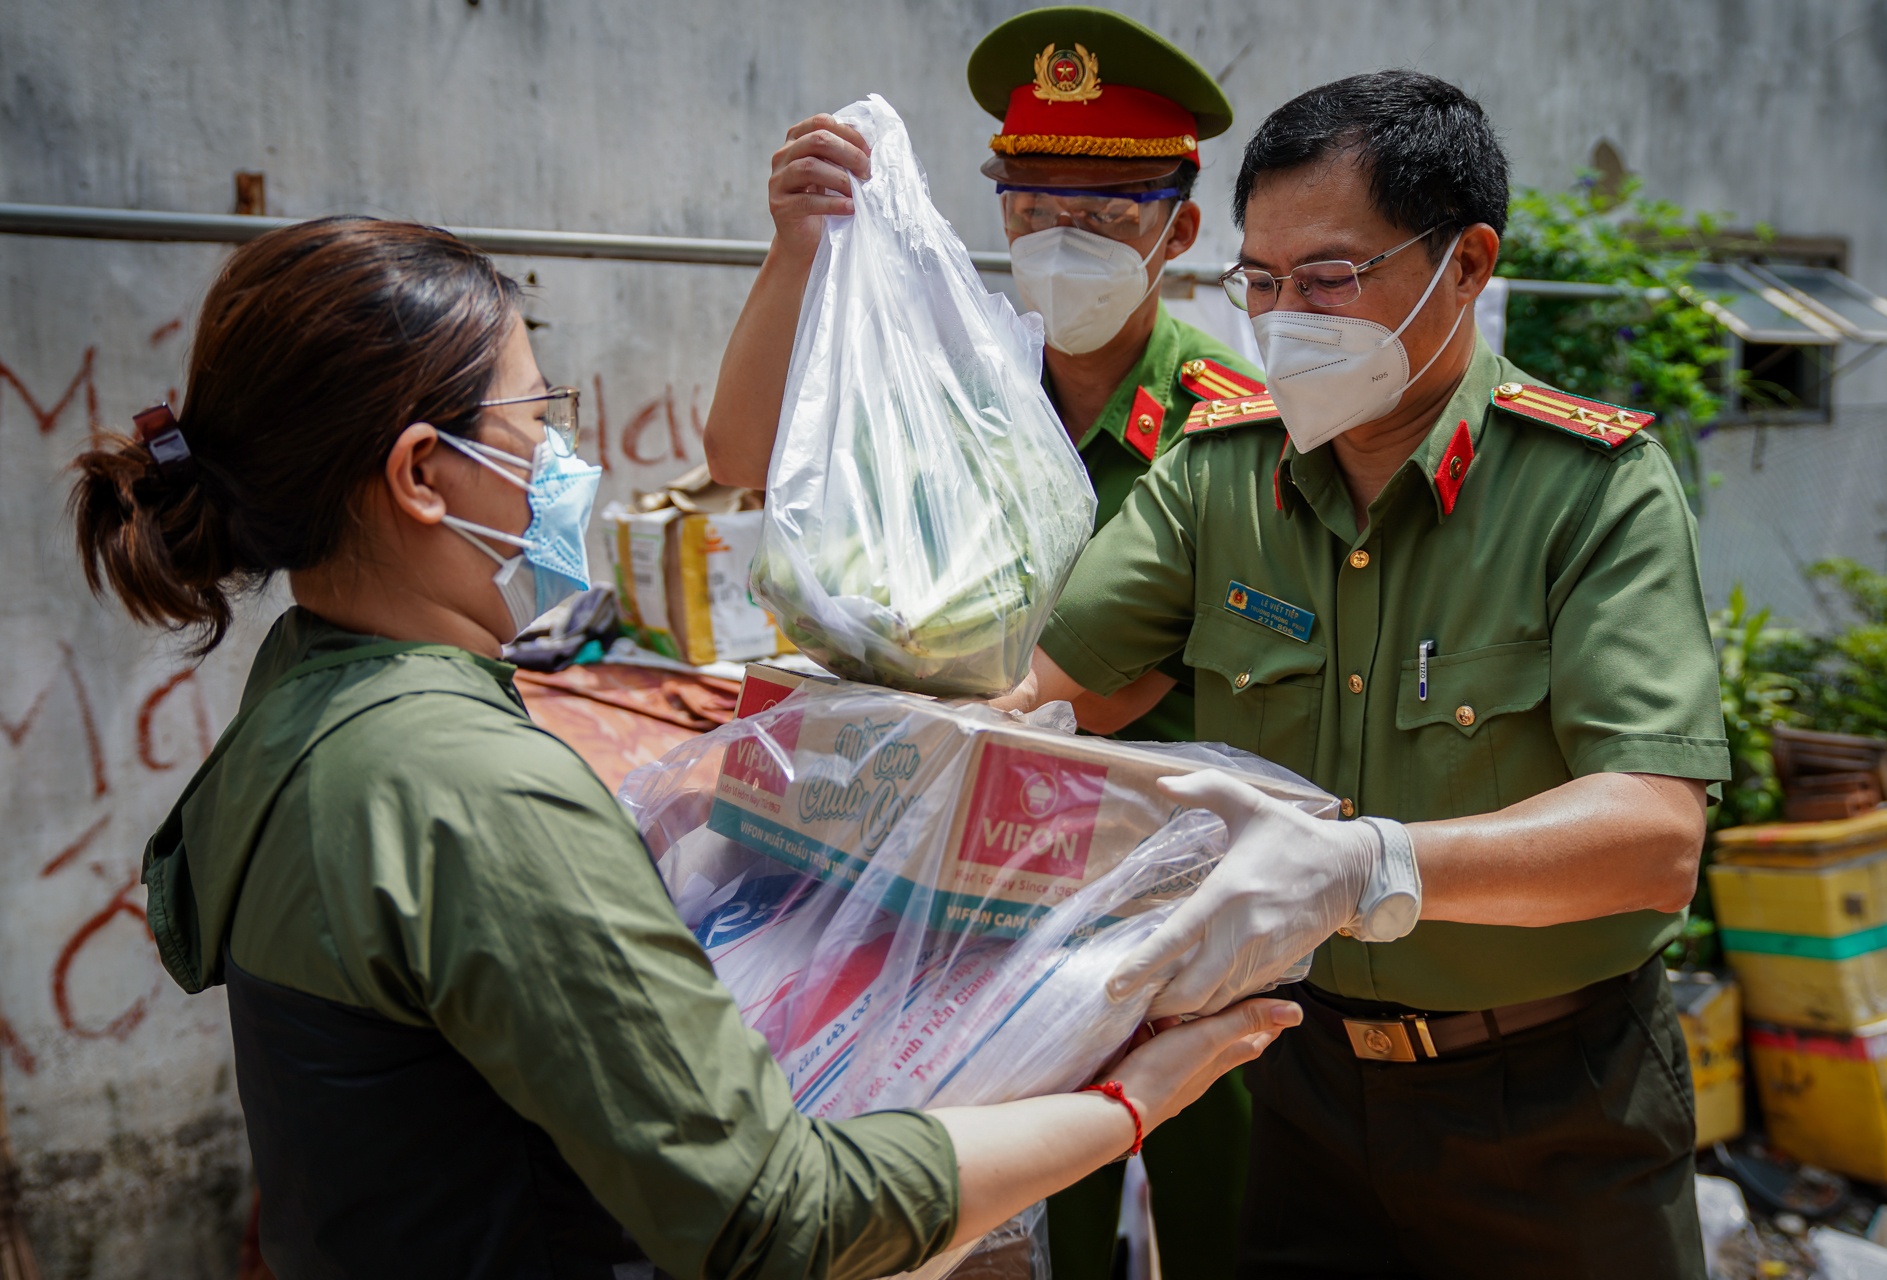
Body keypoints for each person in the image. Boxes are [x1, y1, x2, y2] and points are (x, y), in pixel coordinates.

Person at [68, 216, 1298, 1280]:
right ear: (422, 474)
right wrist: (1130, 1096)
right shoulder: (475, 790)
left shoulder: (302, 697)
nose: (561, 461)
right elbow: (775, 1215)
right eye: (537, 417)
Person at [994, 71, 1732, 1278]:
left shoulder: (1589, 491)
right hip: (1304, 1077)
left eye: (1331, 277)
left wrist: (1373, 862)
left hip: (1553, 1098)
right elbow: (1058, 690)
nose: (1288, 318)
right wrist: (910, 736)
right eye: (1264, 281)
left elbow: (1654, 832)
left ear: (1467, 263)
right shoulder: (1219, 475)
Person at [703, 12, 1269, 1275]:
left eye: (1107, 212)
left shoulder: (1230, 431)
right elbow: (745, 461)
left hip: (1170, 896)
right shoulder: (956, 388)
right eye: (1030, 203)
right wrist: (796, 252)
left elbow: (1123, 682)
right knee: (1017, 1211)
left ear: (1179, 228)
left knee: (1214, 1195)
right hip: (974, 884)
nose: (1058, 240)